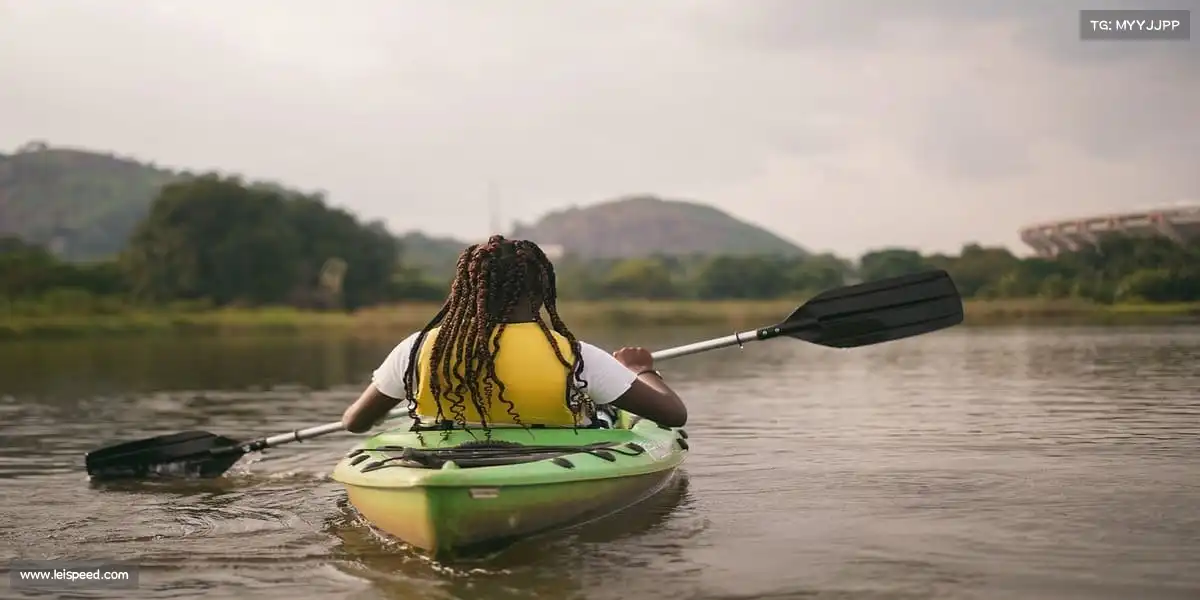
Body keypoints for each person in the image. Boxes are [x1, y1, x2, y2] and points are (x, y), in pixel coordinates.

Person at [342, 235, 687, 434]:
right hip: (550, 462)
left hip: (442, 459)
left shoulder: (417, 349)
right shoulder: (574, 356)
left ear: (464, 290)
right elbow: (673, 415)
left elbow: (355, 423)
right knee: (605, 412)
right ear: (541, 292)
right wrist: (640, 369)